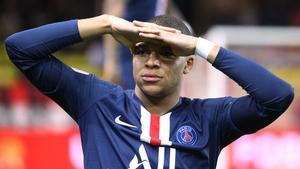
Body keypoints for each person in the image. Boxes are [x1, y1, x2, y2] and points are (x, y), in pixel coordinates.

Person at [5, 14, 294, 169]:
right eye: (141, 51)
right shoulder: (96, 101)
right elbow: (20, 49)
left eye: (167, 53)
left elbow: (276, 96)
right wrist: (104, 24)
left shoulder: (210, 119)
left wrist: (199, 45)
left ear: (188, 64)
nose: (152, 61)